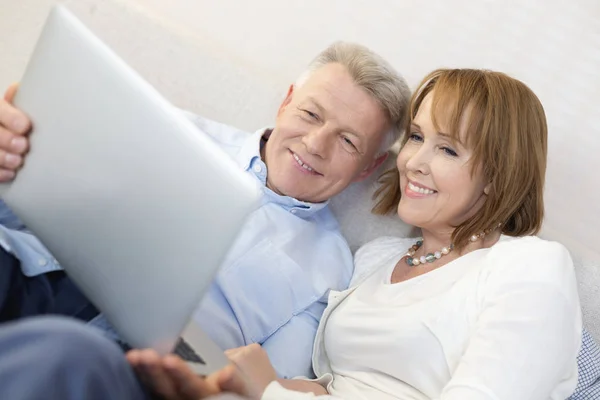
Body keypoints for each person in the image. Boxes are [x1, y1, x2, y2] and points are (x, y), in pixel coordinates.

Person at [127, 68, 585, 399]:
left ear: (498, 176)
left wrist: (268, 391)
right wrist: (225, 380)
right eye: (416, 137)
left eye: (447, 148)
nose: (414, 161)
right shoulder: (377, 257)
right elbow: (328, 386)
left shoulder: (529, 267)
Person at [0, 41, 411, 378]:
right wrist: (12, 158)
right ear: (286, 102)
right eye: (310, 113)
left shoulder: (330, 273)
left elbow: (267, 386)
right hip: (39, 274)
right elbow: (31, 206)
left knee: (70, 354)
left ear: (370, 167)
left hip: (140, 365)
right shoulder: (174, 132)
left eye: (348, 142)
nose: (315, 144)